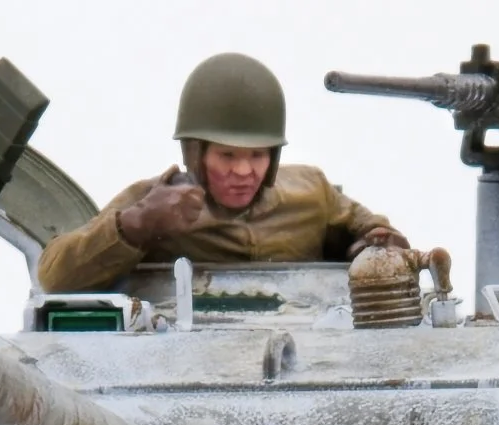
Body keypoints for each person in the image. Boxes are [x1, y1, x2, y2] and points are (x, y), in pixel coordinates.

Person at [35, 52, 408, 294]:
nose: (243, 171)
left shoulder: (312, 191)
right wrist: (139, 223)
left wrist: (376, 245)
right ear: (195, 154)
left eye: (258, 155)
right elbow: (53, 277)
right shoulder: (152, 200)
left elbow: (376, 231)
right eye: (227, 155)